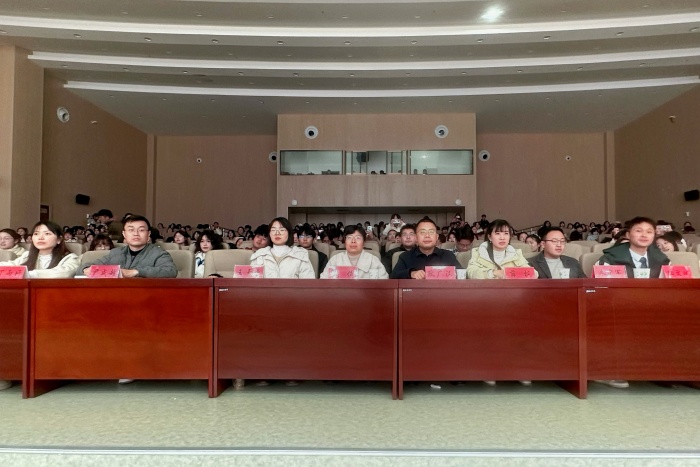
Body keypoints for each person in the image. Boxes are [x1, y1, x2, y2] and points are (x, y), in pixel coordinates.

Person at [595, 217, 670, 391]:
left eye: (649, 232)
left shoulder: (662, 260)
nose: (644, 235)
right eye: (639, 230)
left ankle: (670, 370)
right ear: (628, 235)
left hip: (654, 307)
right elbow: (601, 289)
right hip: (619, 307)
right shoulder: (609, 258)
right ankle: (612, 370)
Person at [80, 215, 178, 278]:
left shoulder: (159, 253)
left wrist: (135, 272)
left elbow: (170, 271)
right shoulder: (116, 253)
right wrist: (86, 270)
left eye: (141, 230)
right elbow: (83, 268)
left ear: (148, 234)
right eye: (131, 230)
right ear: (124, 234)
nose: (136, 234)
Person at [0, 221, 80, 278]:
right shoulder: (28, 255)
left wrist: (26, 274)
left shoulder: (70, 258)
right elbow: (12, 264)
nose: (40, 237)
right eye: (36, 234)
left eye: (47, 234)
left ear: (59, 239)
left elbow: (62, 273)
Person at [391, 217, 462, 279]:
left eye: (431, 232)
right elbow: (393, 276)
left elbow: (461, 274)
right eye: (422, 232)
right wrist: (411, 273)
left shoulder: (448, 256)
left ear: (437, 237)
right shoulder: (405, 257)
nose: (427, 235)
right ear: (416, 237)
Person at [467, 219, 535, 279]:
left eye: (506, 233)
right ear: (490, 237)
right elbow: (470, 273)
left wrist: (510, 273)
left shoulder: (516, 254)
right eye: (497, 233)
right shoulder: (478, 252)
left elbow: (533, 274)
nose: (502, 238)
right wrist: (493, 273)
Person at [250, 217, 315, 279]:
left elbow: (308, 283)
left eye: (281, 230)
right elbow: (252, 283)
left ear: (289, 233)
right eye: (273, 230)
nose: (277, 233)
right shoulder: (260, 255)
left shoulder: (300, 255)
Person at [321, 225, 388, 279]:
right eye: (349, 237)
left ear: (364, 242)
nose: (353, 241)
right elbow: (324, 282)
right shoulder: (335, 260)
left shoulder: (373, 260)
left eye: (358, 238)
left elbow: (384, 283)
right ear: (345, 241)